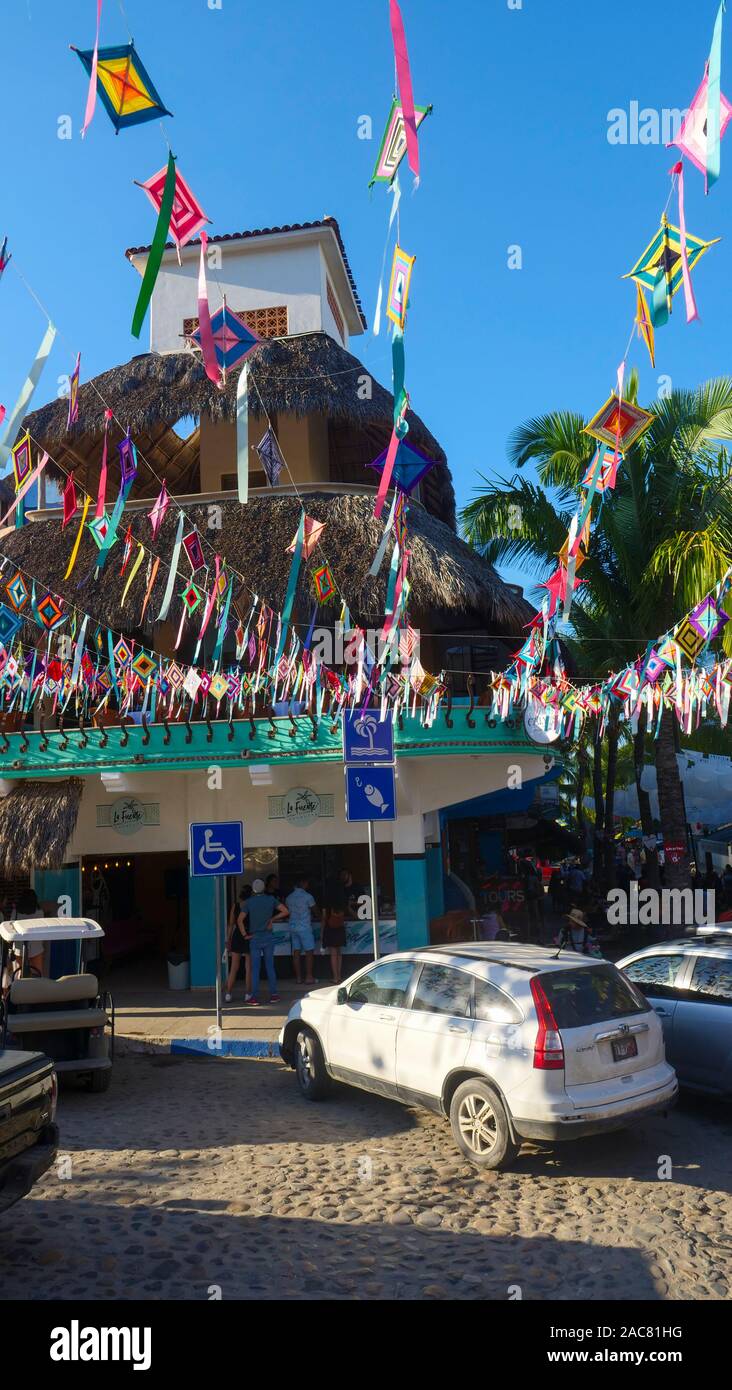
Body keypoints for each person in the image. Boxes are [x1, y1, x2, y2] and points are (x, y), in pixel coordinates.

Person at [242, 878, 289, 1006]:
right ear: (264, 888)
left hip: (255, 938)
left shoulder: (249, 902)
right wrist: (272, 919)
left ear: (253, 890)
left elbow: (240, 920)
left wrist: (245, 935)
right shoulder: (271, 900)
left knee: (255, 969)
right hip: (268, 937)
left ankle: (255, 997)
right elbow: (285, 911)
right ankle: (274, 995)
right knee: (270, 967)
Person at [322, 868, 352, 985]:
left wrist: (322, 930)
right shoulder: (342, 897)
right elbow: (347, 909)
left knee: (333, 953)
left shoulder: (326, 898)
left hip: (330, 926)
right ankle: (339, 976)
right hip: (340, 926)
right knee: (339, 952)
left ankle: (335, 977)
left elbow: (324, 916)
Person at [286, 875, 317, 986]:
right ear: (303, 883)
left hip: (293, 927)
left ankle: (298, 978)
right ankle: (309, 977)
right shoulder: (308, 897)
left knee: (296, 952)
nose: (308, 885)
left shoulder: (289, 897)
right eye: (307, 883)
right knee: (309, 952)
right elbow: (315, 911)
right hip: (305, 927)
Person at [225, 885, 252, 1003]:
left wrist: (228, 939)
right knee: (248, 968)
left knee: (234, 968)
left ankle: (228, 994)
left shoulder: (235, 906)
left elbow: (231, 924)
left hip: (236, 936)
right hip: (249, 935)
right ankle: (248, 994)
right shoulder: (251, 905)